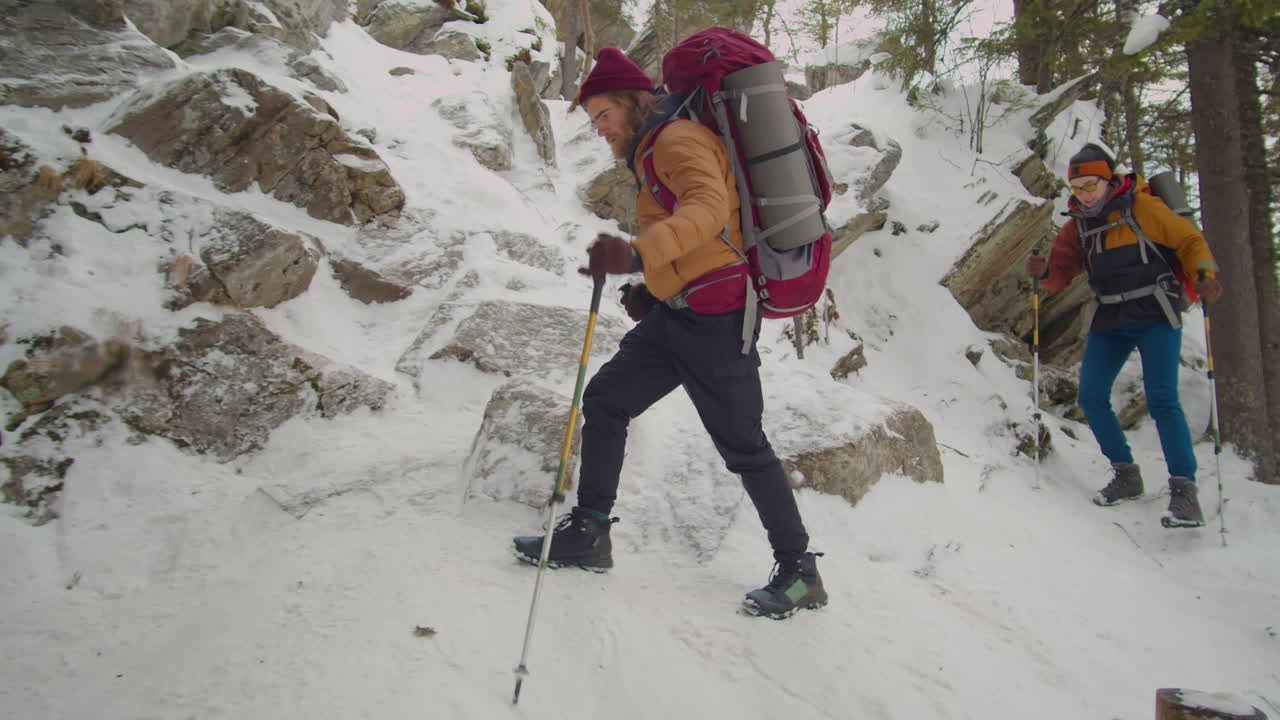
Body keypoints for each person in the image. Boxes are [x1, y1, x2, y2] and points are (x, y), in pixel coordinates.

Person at [512, 47, 826, 619]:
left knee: (744, 447)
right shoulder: (653, 147)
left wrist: (635, 253)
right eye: (593, 121)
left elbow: (708, 211)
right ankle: (591, 531)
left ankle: (801, 572)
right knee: (606, 399)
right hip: (678, 313)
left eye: (604, 114)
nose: (600, 129)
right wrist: (653, 288)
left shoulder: (677, 139)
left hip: (717, 321)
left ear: (632, 103)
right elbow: (698, 233)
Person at [1024, 143, 1222, 527]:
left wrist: (1204, 273)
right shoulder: (1078, 224)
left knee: (1163, 398)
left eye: (1091, 185)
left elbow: (1189, 241)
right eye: (1078, 187)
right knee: (1092, 397)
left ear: (1108, 179)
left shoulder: (1144, 208)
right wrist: (1042, 271)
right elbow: (1060, 275)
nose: (1085, 194)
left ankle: (1184, 492)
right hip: (1110, 314)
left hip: (1155, 312)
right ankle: (1126, 474)